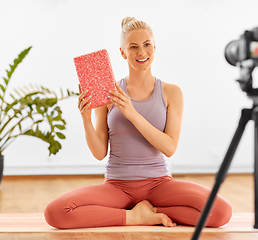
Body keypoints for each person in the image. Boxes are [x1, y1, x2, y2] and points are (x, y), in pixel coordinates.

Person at [44, 17, 232, 229]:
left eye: (146, 45)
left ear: (154, 47)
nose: (141, 52)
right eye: (133, 47)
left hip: (159, 184)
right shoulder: (108, 92)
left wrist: (131, 113)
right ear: (123, 52)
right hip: (117, 186)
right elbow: (99, 153)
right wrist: (86, 119)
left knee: (221, 212)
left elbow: (169, 148)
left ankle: (152, 212)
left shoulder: (172, 92)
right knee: (56, 213)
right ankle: (134, 216)